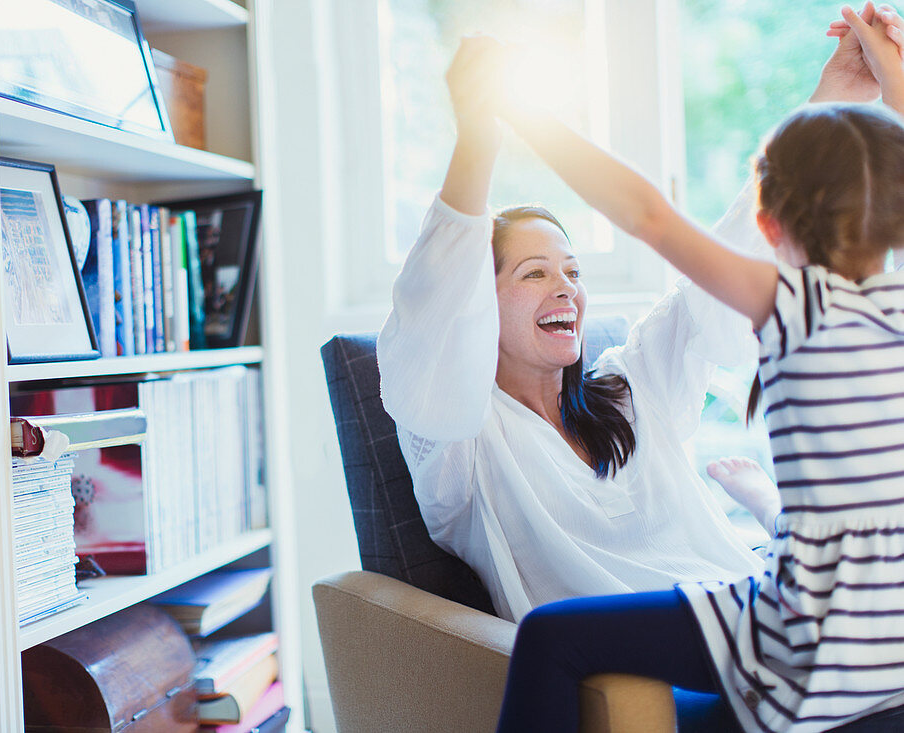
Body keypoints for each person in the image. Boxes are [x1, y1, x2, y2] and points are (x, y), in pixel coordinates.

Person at [376, 5, 887, 625]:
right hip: (646, 677)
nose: (566, 288)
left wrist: (829, 101)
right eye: (533, 272)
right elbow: (435, 305)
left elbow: (715, 280)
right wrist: (477, 141)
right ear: (476, 302)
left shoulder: (629, 388)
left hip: (763, 620)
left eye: (573, 271)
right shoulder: (460, 447)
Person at [491, 5, 904, 732]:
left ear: (769, 227)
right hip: (890, 642)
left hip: (808, 644)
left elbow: (648, 215)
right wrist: (889, 70)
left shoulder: (790, 299)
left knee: (551, 636)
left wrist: (525, 115)